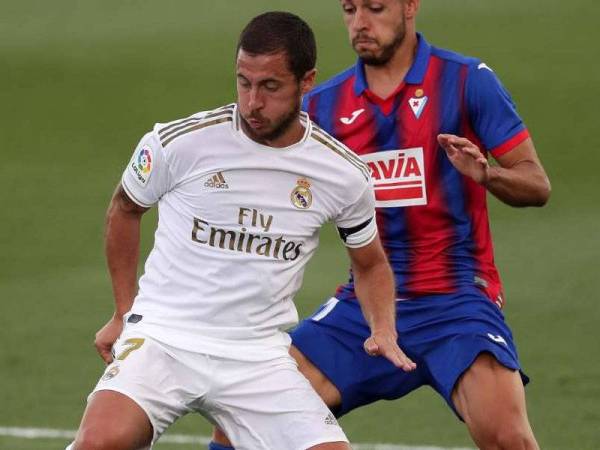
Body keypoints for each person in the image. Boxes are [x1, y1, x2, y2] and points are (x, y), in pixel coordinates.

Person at [67, 11, 416, 450]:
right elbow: (125, 207)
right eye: (244, 82)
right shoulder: (180, 143)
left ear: (306, 81)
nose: (252, 102)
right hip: (164, 338)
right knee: (99, 443)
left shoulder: (342, 174)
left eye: (270, 86)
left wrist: (382, 327)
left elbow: (370, 264)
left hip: (258, 358)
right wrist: (124, 311)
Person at [210, 1, 551, 450]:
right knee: (238, 427)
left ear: (410, 6)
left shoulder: (466, 81)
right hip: (363, 308)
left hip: (457, 302)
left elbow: (537, 184)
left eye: (374, 8)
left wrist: (488, 174)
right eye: (350, 9)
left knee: (508, 437)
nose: (360, 24)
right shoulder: (324, 106)